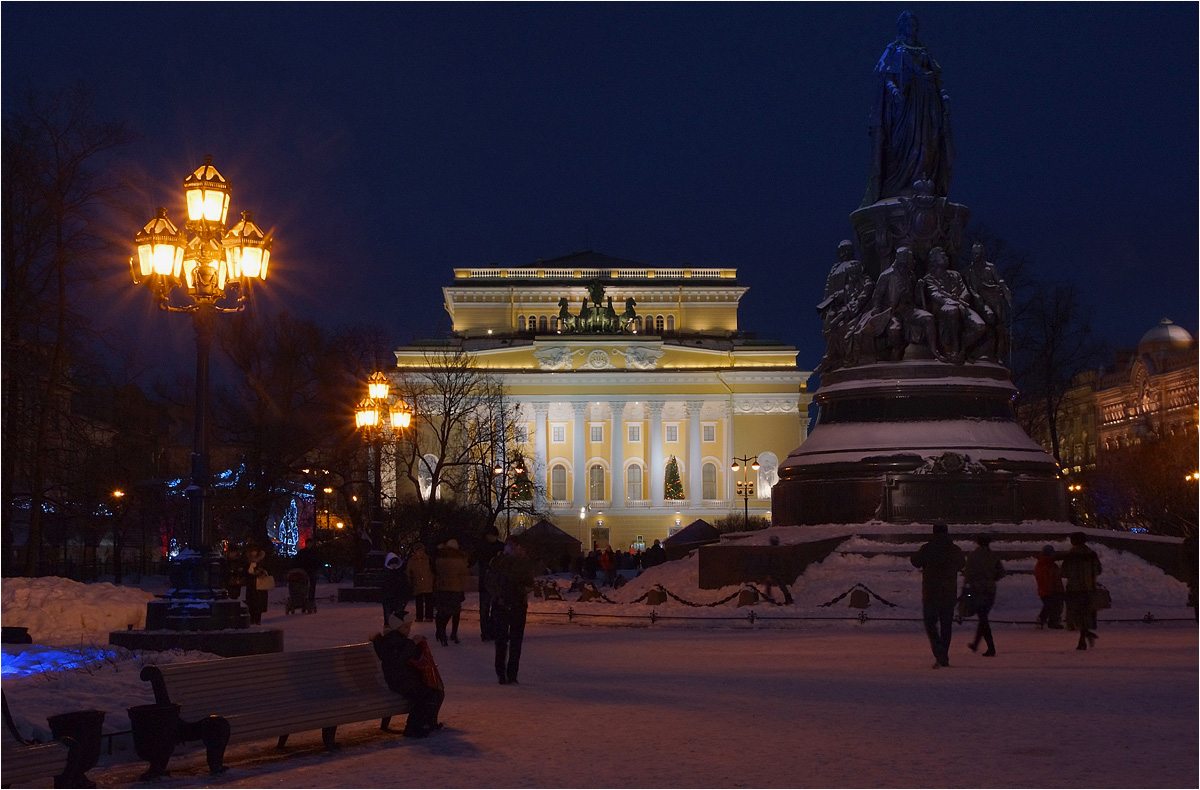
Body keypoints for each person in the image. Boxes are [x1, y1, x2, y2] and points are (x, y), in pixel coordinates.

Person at [861, 10, 954, 207]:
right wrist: (894, 91)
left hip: (928, 102)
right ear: (902, 27)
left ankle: (924, 180)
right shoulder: (895, 49)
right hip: (906, 102)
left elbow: (937, 77)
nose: (913, 28)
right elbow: (886, 76)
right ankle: (899, 183)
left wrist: (944, 95)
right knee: (902, 143)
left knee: (930, 141)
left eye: (915, 24)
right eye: (909, 24)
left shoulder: (923, 50)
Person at [369, 609, 445, 738]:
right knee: (426, 696)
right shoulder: (391, 641)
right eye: (405, 627)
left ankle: (428, 723)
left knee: (436, 692)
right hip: (400, 682)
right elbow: (399, 658)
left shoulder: (399, 639)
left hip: (407, 679)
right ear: (397, 627)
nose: (408, 630)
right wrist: (413, 643)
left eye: (409, 627)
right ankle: (413, 727)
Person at [910, 523, 965, 668]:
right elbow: (961, 564)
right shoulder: (954, 549)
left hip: (931, 593)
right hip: (948, 593)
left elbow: (915, 561)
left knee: (931, 625)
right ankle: (944, 654)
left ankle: (938, 651)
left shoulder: (927, 548)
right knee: (946, 626)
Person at [487, 536, 536, 685]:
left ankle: (512, 674)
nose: (513, 548)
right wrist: (499, 596)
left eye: (515, 545)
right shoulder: (498, 562)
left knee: (515, 641)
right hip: (502, 604)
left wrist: (522, 590)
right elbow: (490, 582)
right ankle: (502, 673)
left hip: (518, 604)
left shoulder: (523, 563)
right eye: (510, 545)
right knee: (501, 640)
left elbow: (530, 583)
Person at [962, 534, 1004, 656]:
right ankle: (976, 644)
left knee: (983, 618)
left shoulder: (973, 556)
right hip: (990, 590)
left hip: (977, 590)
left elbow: (968, 574)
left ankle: (991, 647)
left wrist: (966, 588)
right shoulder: (994, 556)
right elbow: (1001, 572)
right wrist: (991, 578)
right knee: (983, 617)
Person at [1061, 532, 1102, 650]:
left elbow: (1063, 572)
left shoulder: (1070, 555)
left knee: (1076, 614)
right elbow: (1098, 570)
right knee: (1086, 613)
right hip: (1089, 588)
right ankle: (1084, 636)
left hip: (1074, 589)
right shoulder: (1092, 555)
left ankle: (1083, 638)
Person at [433, 539, 469, 646]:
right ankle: (454, 633)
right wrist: (462, 589)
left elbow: (436, 571)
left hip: (443, 588)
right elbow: (463, 575)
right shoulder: (460, 559)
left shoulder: (440, 558)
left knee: (443, 611)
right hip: (455, 588)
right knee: (455, 611)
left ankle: (441, 632)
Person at [475, 528, 505, 641]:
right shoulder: (483, 547)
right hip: (487, 583)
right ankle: (486, 632)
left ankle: (491, 631)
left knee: (493, 609)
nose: (491, 537)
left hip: (494, 584)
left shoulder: (499, 547)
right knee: (485, 609)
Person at [1034, 545, 1065, 629]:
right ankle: (1048, 621)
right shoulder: (1049, 565)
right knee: (1052, 606)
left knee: (1050, 606)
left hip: (1045, 589)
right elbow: (1053, 579)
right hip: (1050, 590)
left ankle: (1047, 621)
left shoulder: (1042, 564)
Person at [379, 552, 411, 628]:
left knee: (398, 618)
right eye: (392, 563)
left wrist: (405, 598)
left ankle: (397, 631)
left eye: (395, 563)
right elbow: (383, 587)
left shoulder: (401, 574)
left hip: (398, 599)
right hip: (388, 599)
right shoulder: (386, 575)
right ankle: (388, 632)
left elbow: (405, 586)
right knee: (388, 619)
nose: (394, 565)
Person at [406, 544, 434, 623]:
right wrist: (410, 582)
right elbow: (408, 572)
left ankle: (429, 616)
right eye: (418, 551)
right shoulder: (412, 561)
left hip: (428, 583)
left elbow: (432, 570)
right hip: (417, 583)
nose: (420, 553)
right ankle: (419, 616)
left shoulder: (428, 559)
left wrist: (432, 579)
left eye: (421, 551)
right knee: (419, 601)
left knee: (428, 601)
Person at [245, 547, 271, 626]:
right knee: (251, 602)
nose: (253, 553)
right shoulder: (247, 561)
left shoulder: (262, 561)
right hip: (251, 584)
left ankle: (257, 619)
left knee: (259, 602)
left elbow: (268, 569)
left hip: (260, 584)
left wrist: (261, 572)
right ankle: (252, 618)